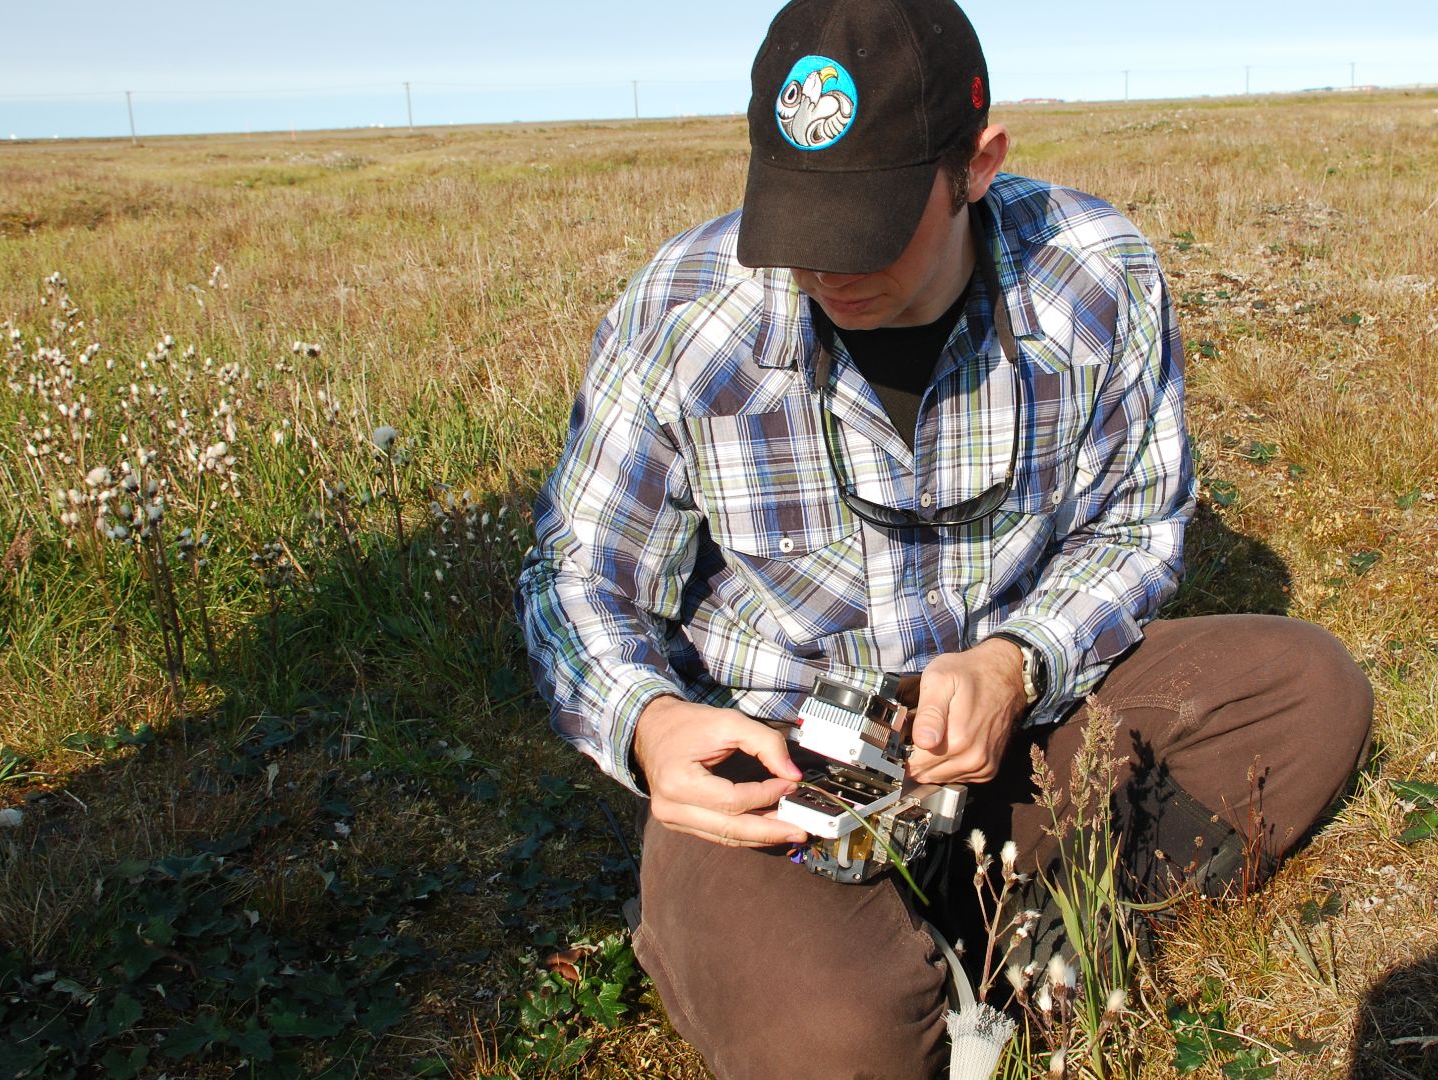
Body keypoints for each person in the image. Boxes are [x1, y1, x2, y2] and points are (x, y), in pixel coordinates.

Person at [516, 1, 1373, 1075]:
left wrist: (1016, 662)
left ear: (977, 165)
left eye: (867, 227)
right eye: (796, 224)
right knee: (840, 1047)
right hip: (776, 773)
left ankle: (999, 932)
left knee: (1310, 692)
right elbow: (576, 573)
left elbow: (1137, 528)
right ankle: (925, 944)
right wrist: (650, 724)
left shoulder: (1096, 276)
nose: (826, 270)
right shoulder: (684, 315)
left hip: (1021, 729)